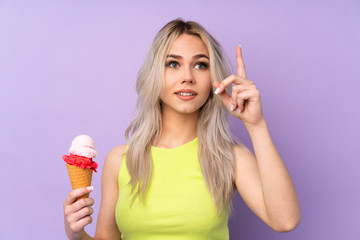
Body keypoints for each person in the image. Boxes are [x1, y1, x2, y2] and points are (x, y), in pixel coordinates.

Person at [63, 19, 301, 240]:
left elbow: (285, 220)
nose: (187, 77)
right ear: (155, 74)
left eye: (200, 65)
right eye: (173, 64)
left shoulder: (230, 156)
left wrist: (255, 125)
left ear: (213, 79)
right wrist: (77, 235)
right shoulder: (120, 160)